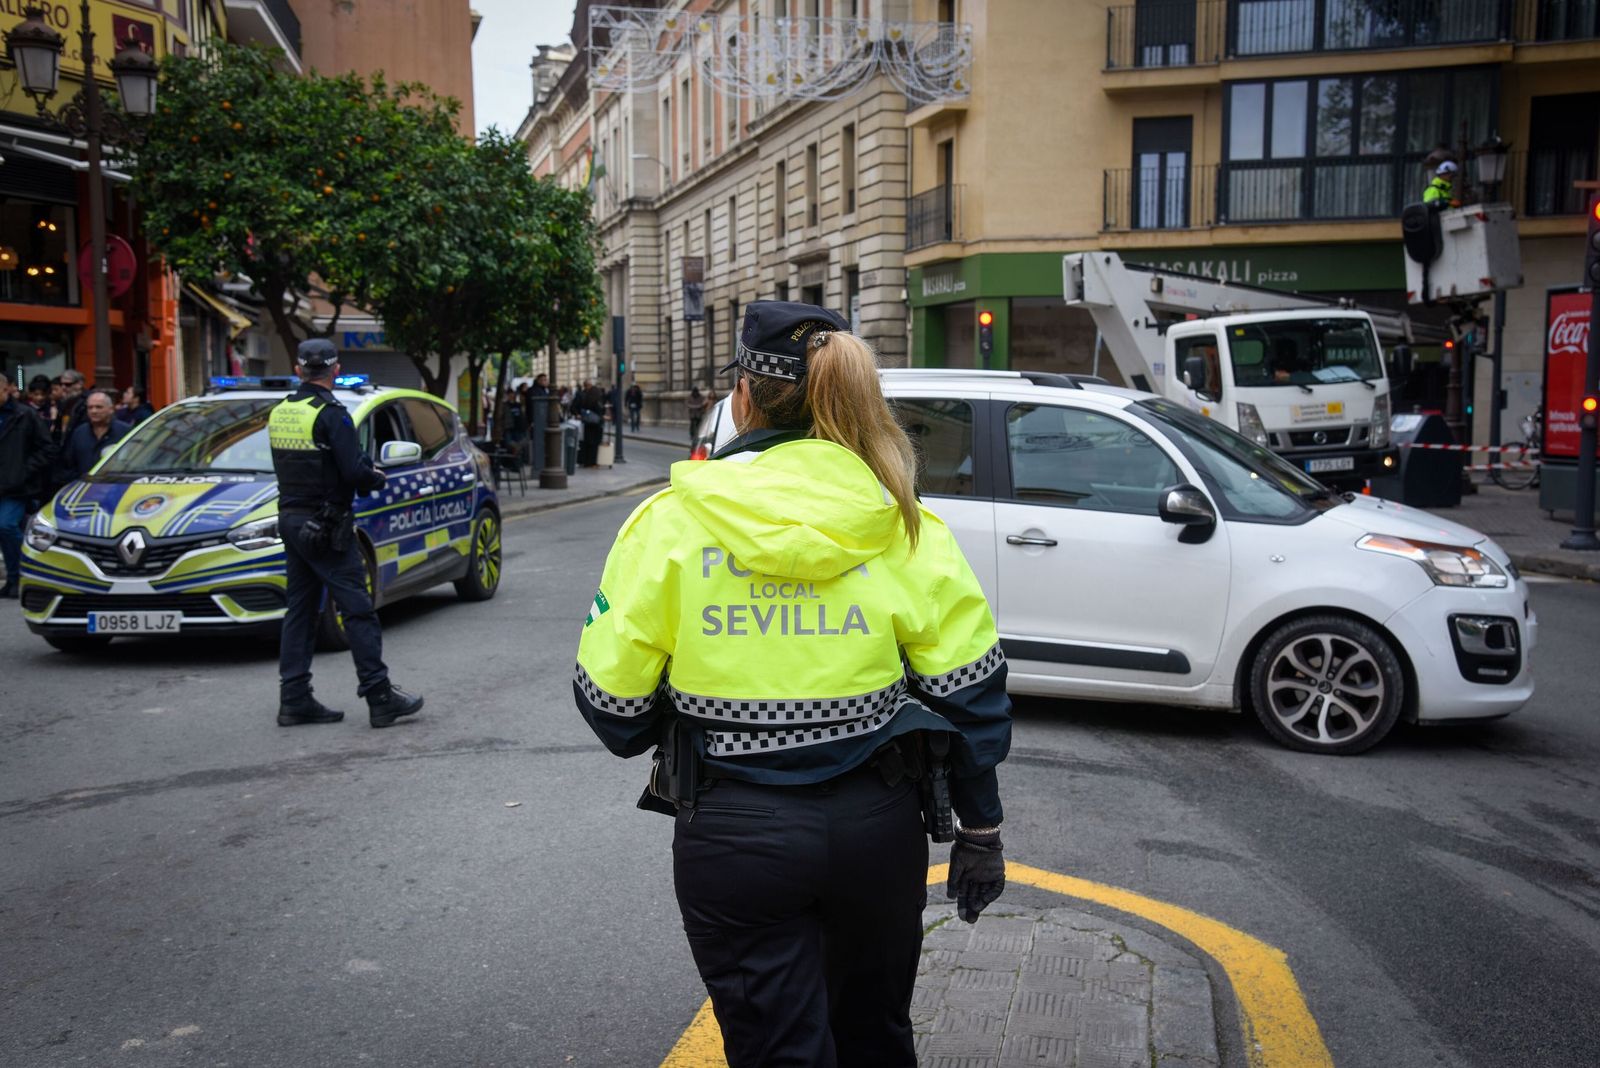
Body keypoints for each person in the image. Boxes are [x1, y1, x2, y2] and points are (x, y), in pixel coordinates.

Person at [573, 300, 1012, 1067]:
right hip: (879, 830)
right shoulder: (905, 524)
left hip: (736, 834)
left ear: (743, 394)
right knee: (875, 1038)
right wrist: (980, 831)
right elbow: (970, 694)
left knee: (778, 1049)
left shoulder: (670, 524)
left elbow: (615, 713)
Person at [269, 338, 424, 729]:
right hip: (327, 526)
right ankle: (379, 695)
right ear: (335, 370)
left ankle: (294, 697)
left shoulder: (281, 412)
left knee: (300, 611)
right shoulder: (332, 414)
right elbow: (353, 472)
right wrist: (375, 476)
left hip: (291, 520)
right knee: (357, 609)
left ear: (298, 368)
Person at [0, 381, 56, 597]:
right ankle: (14, 578)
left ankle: (27, 570)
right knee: (5, 530)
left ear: (6, 390)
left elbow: (47, 448)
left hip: (16, 486)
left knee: (5, 526)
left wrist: (23, 470)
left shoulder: (25, 415)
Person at [59, 389, 130, 482]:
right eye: (90, 407)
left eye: (99, 407)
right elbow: (68, 464)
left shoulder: (125, 431)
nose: (94, 411)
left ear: (111, 409)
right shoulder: (79, 433)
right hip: (84, 487)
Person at [574, 380, 606, 467]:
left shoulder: (585, 397)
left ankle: (585, 461)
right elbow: (601, 411)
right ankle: (592, 462)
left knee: (586, 443)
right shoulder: (596, 398)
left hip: (587, 423)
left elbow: (576, 407)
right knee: (594, 444)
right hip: (595, 424)